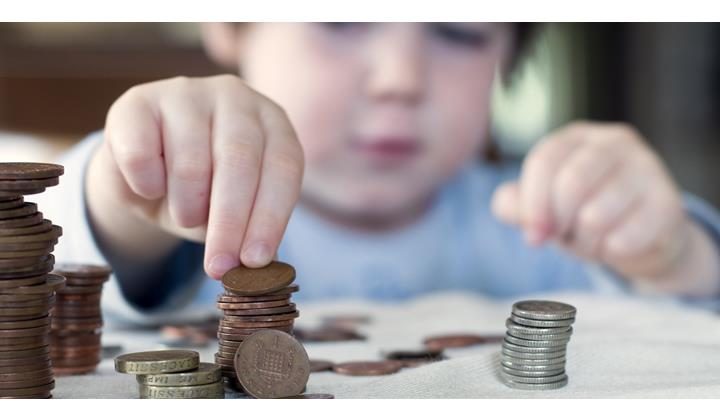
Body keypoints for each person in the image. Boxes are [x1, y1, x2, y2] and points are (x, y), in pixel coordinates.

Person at [38, 23, 720, 324]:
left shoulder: (548, 226)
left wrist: (676, 257)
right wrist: (132, 194)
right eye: (342, 18)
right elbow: (70, 261)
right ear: (231, 24)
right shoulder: (186, 201)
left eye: (457, 32)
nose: (401, 78)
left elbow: (691, 317)